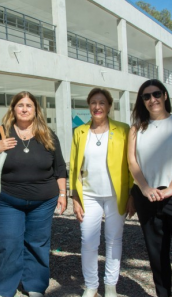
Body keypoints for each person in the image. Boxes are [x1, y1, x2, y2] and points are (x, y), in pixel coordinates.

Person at [0, 91, 67, 297]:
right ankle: (3, 289)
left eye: (29, 105)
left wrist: (62, 194)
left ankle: (35, 285)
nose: (25, 109)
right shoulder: (2, 132)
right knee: (8, 242)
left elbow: (60, 167)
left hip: (43, 201)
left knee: (38, 243)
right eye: (20, 105)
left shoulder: (48, 134)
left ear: (36, 110)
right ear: (13, 109)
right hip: (7, 200)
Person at [127, 79, 172, 297]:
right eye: (147, 96)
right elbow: (132, 162)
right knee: (157, 255)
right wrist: (144, 188)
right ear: (142, 101)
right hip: (148, 197)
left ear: (165, 96)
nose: (153, 99)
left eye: (156, 94)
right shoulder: (135, 129)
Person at [69, 88, 133, 297]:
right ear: (89, 106)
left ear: (109, 106)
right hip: (88, 194)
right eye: (93, 103)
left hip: (116, 194)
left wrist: (133, 194)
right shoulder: (79, 132)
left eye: (102, 102)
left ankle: (111, 286)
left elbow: (132, 164)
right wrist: (74, 197)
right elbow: (74, 166)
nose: (97, 107)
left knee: (114, 239)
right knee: (88, 240)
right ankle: (91, 286)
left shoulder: (123, 130)